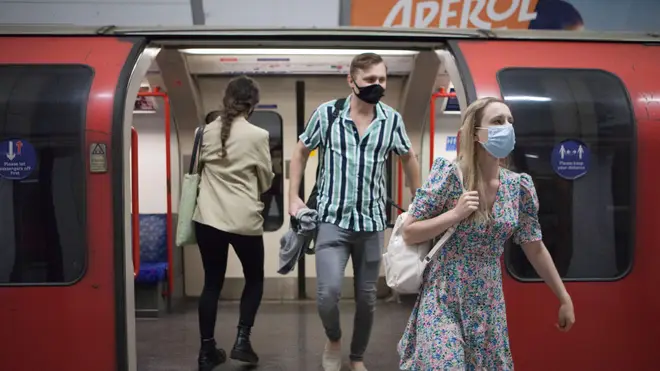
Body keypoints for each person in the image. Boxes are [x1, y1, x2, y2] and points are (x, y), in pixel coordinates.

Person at [397, 97, 576, 370]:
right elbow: (410, 232)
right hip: (444, 293)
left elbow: (535, 247)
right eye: (497, 121)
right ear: (476, 134)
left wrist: (564, 297)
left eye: (509, 121)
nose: (506, 127)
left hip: (488, 299)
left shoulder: (518, 187)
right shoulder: (449, 175)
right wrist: (454, 215)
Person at [288, 52, 421, 371]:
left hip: (372, 224)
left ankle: (357, 357)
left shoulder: (391, 120)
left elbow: (408, 157)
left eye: (382, 80)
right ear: (352, 81)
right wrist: (293, 197)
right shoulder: (328, 114)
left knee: (367, 298)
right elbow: (300, 150)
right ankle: (333, 338)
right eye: (370, 80)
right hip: (332, 220)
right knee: (327, 294)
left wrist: (418, 202)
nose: (377, 86)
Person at [191, 75, 274, 371]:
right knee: (254, 279)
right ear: (253, 104)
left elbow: (197, 173)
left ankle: (206, 350)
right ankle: (242, 340)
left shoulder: (204, 132)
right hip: (243, 220)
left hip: (208, 219)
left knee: (211, 283)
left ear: (226, 99)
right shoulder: (258, 136)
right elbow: (265, 180)